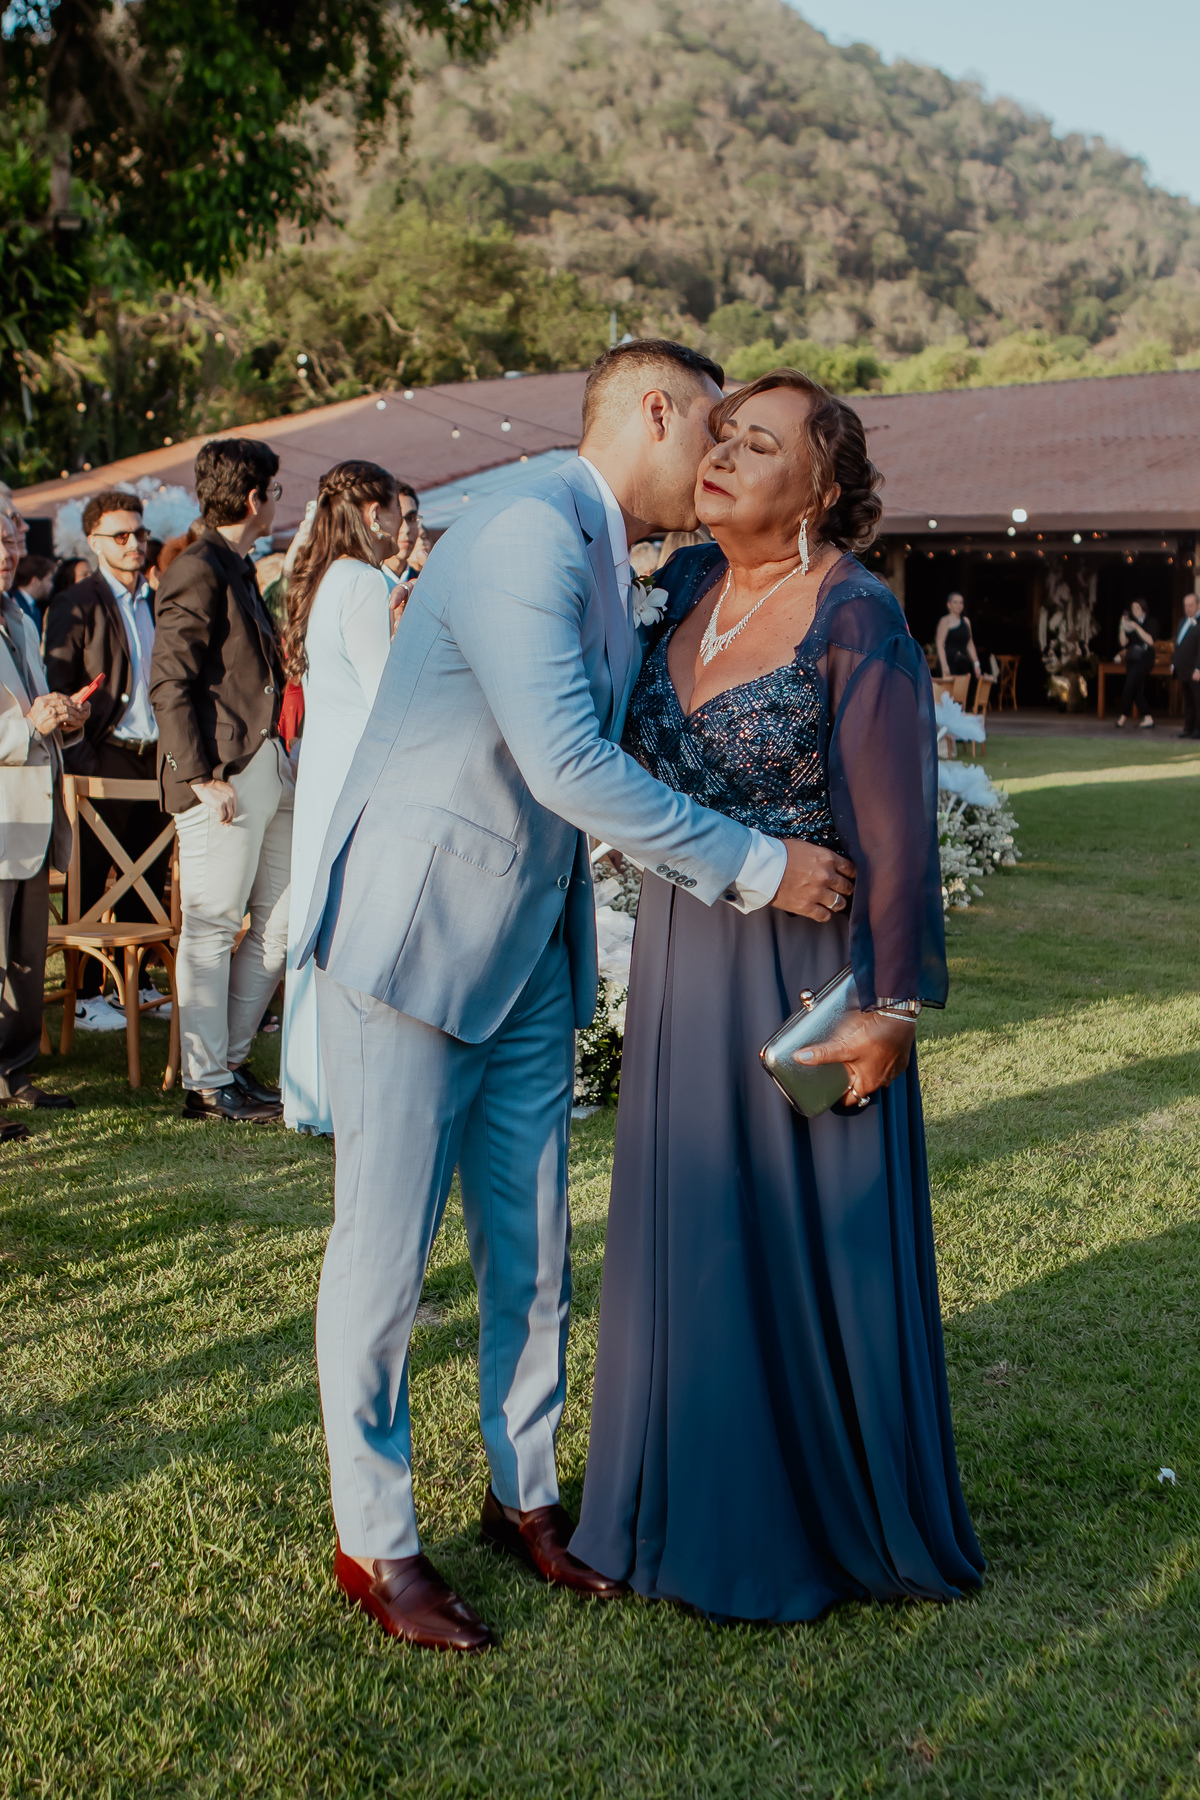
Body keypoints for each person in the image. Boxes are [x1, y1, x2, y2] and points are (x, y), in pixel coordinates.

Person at [293, 339, 843, 1652]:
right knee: (383, 1263)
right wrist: (762, 866)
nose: (720, 457)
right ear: (653, 409)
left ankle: (524, 1494)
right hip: (416, 941)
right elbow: (569, 767)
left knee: (532, 1244)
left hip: (531, 951)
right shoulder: (526, 532)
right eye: (712, 428)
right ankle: (375, 1541)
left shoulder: (609, 550)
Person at [570, 368, 983, 1620]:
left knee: (807, 1241)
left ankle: (810, 1514)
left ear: (818, 490)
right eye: (723, 434)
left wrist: (892, 1010)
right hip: (683, 956)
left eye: (760, 444)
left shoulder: (857, 618)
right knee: (692, 1226)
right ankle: (669, 1496)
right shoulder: (684, 585)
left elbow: (899, 833)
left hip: (807, 975)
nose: (724, 454)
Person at [149, 438, 292, 1124]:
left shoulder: (234, 565)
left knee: (281, 920)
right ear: (256, 497)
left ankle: (229, 1063)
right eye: (275, 491)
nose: (276, 502)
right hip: (222, 776)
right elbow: (168, 682)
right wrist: (200, 776)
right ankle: (207, 1083)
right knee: (210, 928)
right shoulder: (196, 568)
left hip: (265, 766)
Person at [280, 462, 401, 1136]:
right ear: (376, 513)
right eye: (396, 511)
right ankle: (337, 1092)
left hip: (326, 763)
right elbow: (385, 691)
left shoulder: (325, 578)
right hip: (357, 768)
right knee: (348, 922)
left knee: (319, 918)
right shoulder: (361, 582)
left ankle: (311, 1089)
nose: (400, 525)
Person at [44, 490, 172, 1013]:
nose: (134, 543)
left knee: (150, 871)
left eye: (139, 533)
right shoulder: (76, 603)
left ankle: (136, 983)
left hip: (156, 754)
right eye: (121, 536)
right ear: (94, 542)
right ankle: (86, 994)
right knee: (94, 875)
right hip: (104, 751)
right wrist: (81, 756)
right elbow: (59, 687)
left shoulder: (159, 599)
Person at [0, 510, 89, 1122]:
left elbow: (33, 716)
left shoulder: (19, 617)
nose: (9, 553)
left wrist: (64, 720)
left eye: (13, 540)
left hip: (32, 815)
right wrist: (28, 726)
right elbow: (20, 726)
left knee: (27, 961)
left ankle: (13, 1073)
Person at [1114, 599, 1158, 729]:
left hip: (1145, 659)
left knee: (1129, 685)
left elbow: (1150, 641)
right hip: (1132, 659)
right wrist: (1122, 626)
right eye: (1133, 608)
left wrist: (1136, 627)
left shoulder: (1151, 622)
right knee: (1134, 688)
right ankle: (1148, 717)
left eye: (1137, 607)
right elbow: (1123, 643)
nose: (1135, 610)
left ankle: (1123, 716)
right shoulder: (1131, 623)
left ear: (1143, 608)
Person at [1170, 593, 1198, 739]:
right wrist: (1174, 662)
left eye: (1191, 605)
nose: (1188, 608)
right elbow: (1178, 644)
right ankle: (1188, 728)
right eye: (1185, 605)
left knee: (1198, 700)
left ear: (1198, 605)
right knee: (1188, 700)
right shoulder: (1182, 621)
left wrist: (1198, 668)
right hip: (1183, 669)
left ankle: (1198, 729)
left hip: (1195, 669)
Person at [935, 591, 981, 680]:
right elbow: (940, 644)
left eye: (961, 602)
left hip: (962, 661)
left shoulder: (966, 621)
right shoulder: (945, 621)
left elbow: (970, 643)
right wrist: (944, 665)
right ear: (949, 605)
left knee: (963, 687)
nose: (958, 605)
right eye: (955, 602)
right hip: (949, 661)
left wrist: (976, 663)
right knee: (949, 688)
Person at [11, 556, 56, 639]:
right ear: (35, 581)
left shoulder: (34, 607)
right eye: (49, 580)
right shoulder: (13, 603)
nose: (51, 585)